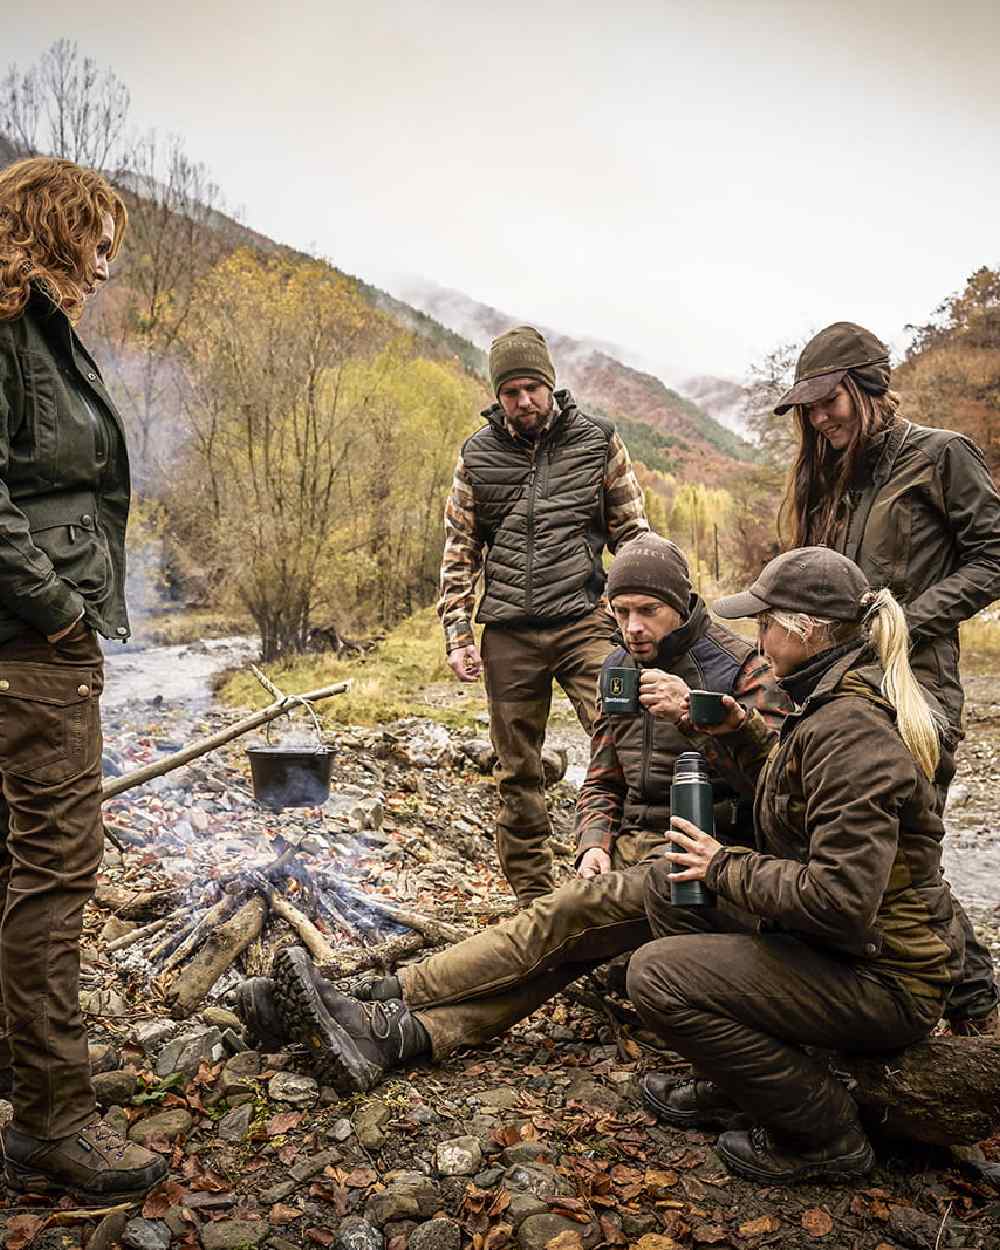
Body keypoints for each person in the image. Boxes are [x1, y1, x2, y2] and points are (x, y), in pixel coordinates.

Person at [234, 536, 790, 1094]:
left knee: (558, 919)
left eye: (649, 611)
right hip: (630, 853)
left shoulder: (740, 667)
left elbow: (777, 792)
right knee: (559, 950)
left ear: (683, 602)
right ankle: (393, 1034)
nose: (634, 627)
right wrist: (592, 841)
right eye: (620, 612)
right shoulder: (617, 666)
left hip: (705, 865)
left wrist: (696, 718)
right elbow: (603, 774)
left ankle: (380, 997)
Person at [628, 547, 966, 1185]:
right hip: (842, 946)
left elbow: (841, 896)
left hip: (884, 975)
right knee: (671, 887)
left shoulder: (852, 729)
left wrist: (723, 865)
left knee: (657, 975)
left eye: (764, 624)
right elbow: (795, 799)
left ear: (803, 629)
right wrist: (740, 734)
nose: (755, 638)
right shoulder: (827, 695)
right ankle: (741, 1082)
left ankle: (824, 1132)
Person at [0, 157, 166, 1202]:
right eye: (97, 242)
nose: (105, 265)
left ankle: (33, 1076)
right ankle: (55, 1119)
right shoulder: (13, 331)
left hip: (28, 641)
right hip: (29, 646)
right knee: (55, 874)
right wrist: (62, 613)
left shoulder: (34, 331)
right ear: (55, 232)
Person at [774, 321, 1000, 1032]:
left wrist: (905, 619)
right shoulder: (822, 473)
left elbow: (995, 555)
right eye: (807, 407)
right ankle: (889, 1004)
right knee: (849, 855)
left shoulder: (940, 455)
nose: (818, 418)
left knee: (907, 865)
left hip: (915, 694)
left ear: (868, 387)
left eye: (828, 401)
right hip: (835, 693)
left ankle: (974, 1009)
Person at [437, 325, 649, 903]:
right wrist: (458, 635)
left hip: (585, 621)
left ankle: (627, 879)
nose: (523, 400)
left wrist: (645, 618)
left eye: (532, 386)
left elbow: (633, 537)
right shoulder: (476, 455)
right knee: (517, 773)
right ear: (498, 396)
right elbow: (460, 552)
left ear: (551, 385)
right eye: (511, 391)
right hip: (507, 633)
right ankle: (534, 900)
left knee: (626, 739)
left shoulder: (598, 440)